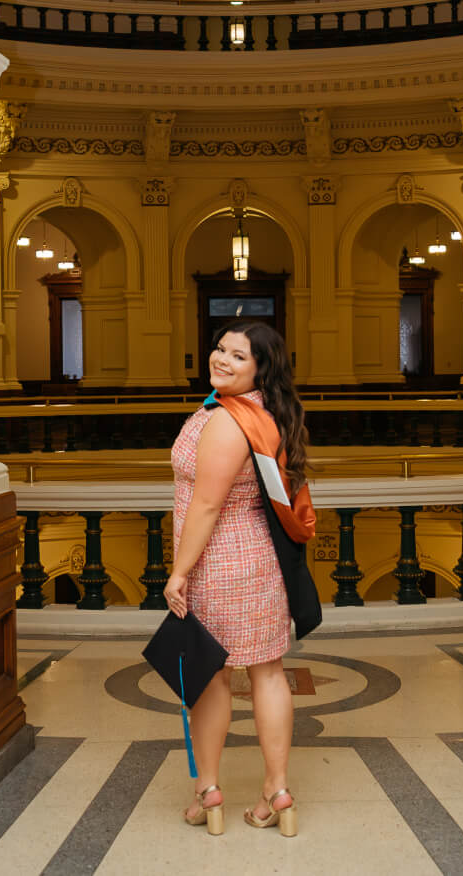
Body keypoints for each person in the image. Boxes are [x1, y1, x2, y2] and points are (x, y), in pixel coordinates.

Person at [164, 321, 310, 838]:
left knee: (211, 676)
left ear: (260, 370)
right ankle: (278, 790)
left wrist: (179, 572)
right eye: (219, 348)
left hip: (219, 563)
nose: (221, 359)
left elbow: (206, 503)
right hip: (257, 561)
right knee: (268, 672)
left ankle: (208, 790)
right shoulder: (250, 411)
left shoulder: (228, 422)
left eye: (238, 356)